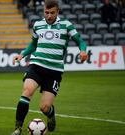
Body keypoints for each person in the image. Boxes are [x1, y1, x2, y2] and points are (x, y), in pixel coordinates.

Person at [10, 0, 88, 135]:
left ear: (57, 12)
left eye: (52, 13)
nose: (49, 16)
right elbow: (33, 44)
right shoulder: (38, 25)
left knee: (44, 108)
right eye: (46, 12)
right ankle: (18, 129)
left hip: (54, 72)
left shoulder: (66, 25)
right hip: (36, 66)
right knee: (27, 92)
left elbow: (80, 41)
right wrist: (22, 54)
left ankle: (51, 115)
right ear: (43, 11)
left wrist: (82, 51)